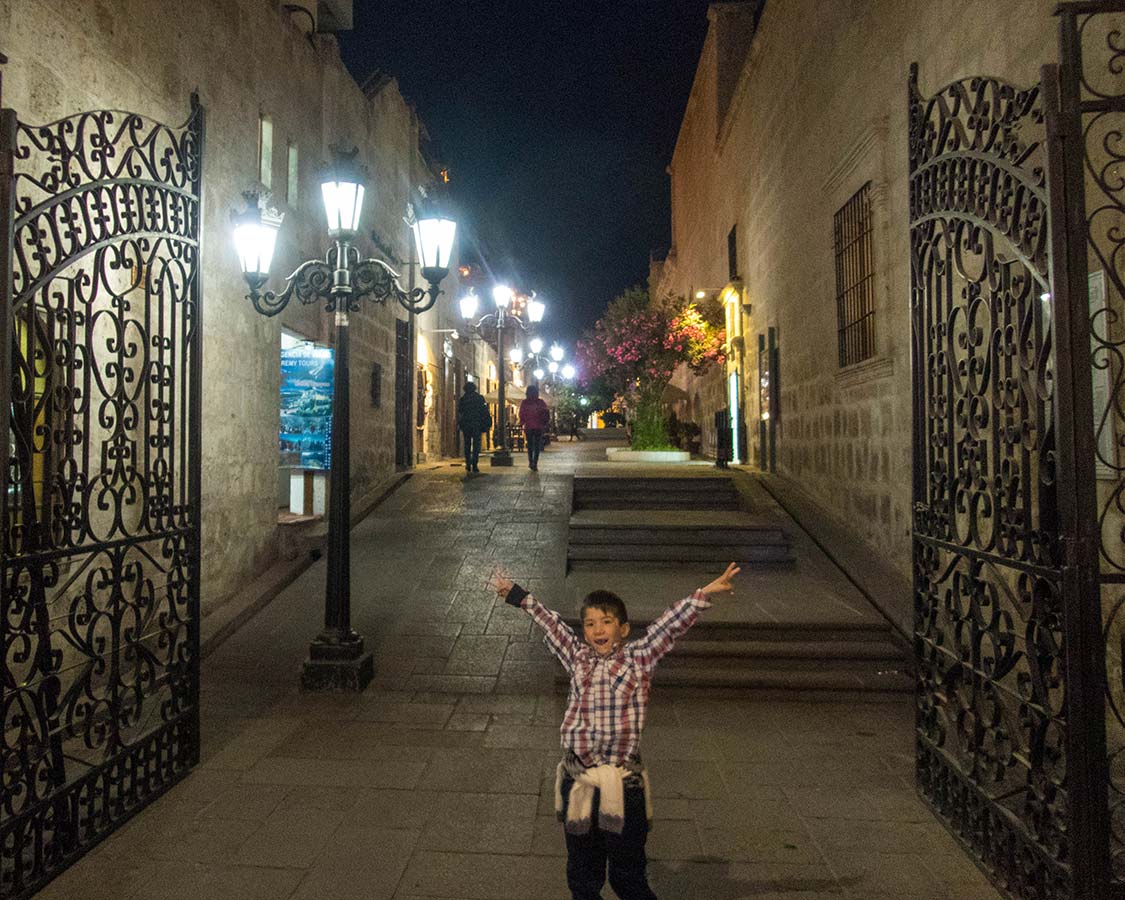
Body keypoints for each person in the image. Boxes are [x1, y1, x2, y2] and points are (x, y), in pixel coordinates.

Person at [487, 562, 741, 900]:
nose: (597, 629)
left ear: (623, 629)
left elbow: (668, 627)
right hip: (578, 780)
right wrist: (519, 596)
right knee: (582, 874)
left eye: (606, 621)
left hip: (624, 784)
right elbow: (552, 624)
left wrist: (705, 593)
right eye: (590, 623)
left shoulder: (639, 658)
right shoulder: (577, 657)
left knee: (627, 875)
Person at [457, 381, 491, 474]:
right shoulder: (479, 398)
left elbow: (460, 412)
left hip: (467, 424)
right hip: (477, 424)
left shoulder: (463, 399)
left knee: (467, 444)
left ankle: (468, 463)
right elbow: (484, 411)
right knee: (476, 445)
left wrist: (460, 423)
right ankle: (475, 464)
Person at [519, 383, 550, 471]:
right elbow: (545, 412)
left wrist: (522, 421)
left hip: (528, 427)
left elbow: (522, 414)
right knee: (537, 446)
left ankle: (530, 461)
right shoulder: (540, 402)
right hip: (539, 427)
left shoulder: (525, 402)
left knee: (530, 445)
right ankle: (535, 463)